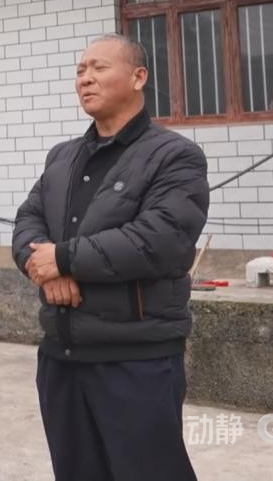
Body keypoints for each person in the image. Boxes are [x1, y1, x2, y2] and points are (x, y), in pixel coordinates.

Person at [12, 34, 210, 481]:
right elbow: (28, 221)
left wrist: (64, 258)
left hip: (135, 359)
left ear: (138, 77)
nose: (85, 79)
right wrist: (45, 269)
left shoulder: (174, 156)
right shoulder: (62, 157)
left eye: (99, 68)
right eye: (80, 70)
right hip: (62, 355)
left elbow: (160, 239)